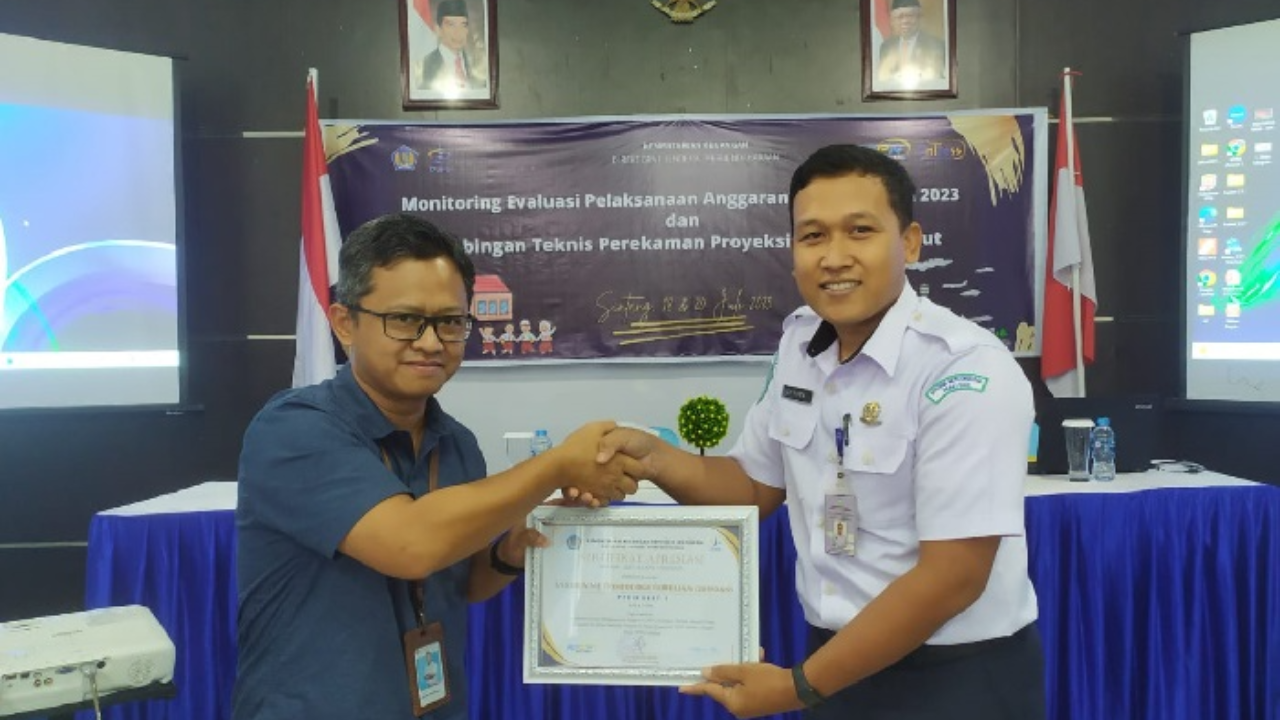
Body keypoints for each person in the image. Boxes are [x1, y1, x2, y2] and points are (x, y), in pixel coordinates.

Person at [598, 145, 1044, 720]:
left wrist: (796, 689)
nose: (834, 257)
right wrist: (653, 458)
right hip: (835, 665)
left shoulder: (963, 368)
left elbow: (953, 577)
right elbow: (752, 487)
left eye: (860, 231)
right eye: (812, 236)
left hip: (955, 680)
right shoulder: (799, 345)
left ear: (909, 243)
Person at [233, 213, 641, 720]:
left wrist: (509, 554)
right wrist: (557, 465)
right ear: (344, 324)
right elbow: (410, 546)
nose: (431, 342)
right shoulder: (294, 429)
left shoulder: (457, 443)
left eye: (450, 322)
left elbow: (464, 582)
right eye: (405, 319)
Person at [876, 0, 947, 84]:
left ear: (919, 18)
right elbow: (883, 79)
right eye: (899, 17)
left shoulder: (936, 46)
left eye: (910, 16)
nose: (905, 21)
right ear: (892, 21)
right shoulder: (886, 47)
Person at [420, 0, 483, 92]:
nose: (458, 32)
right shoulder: (424, 65)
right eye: (451, 25)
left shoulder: (476, 65)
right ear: (438, 29)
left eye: (463, 25)